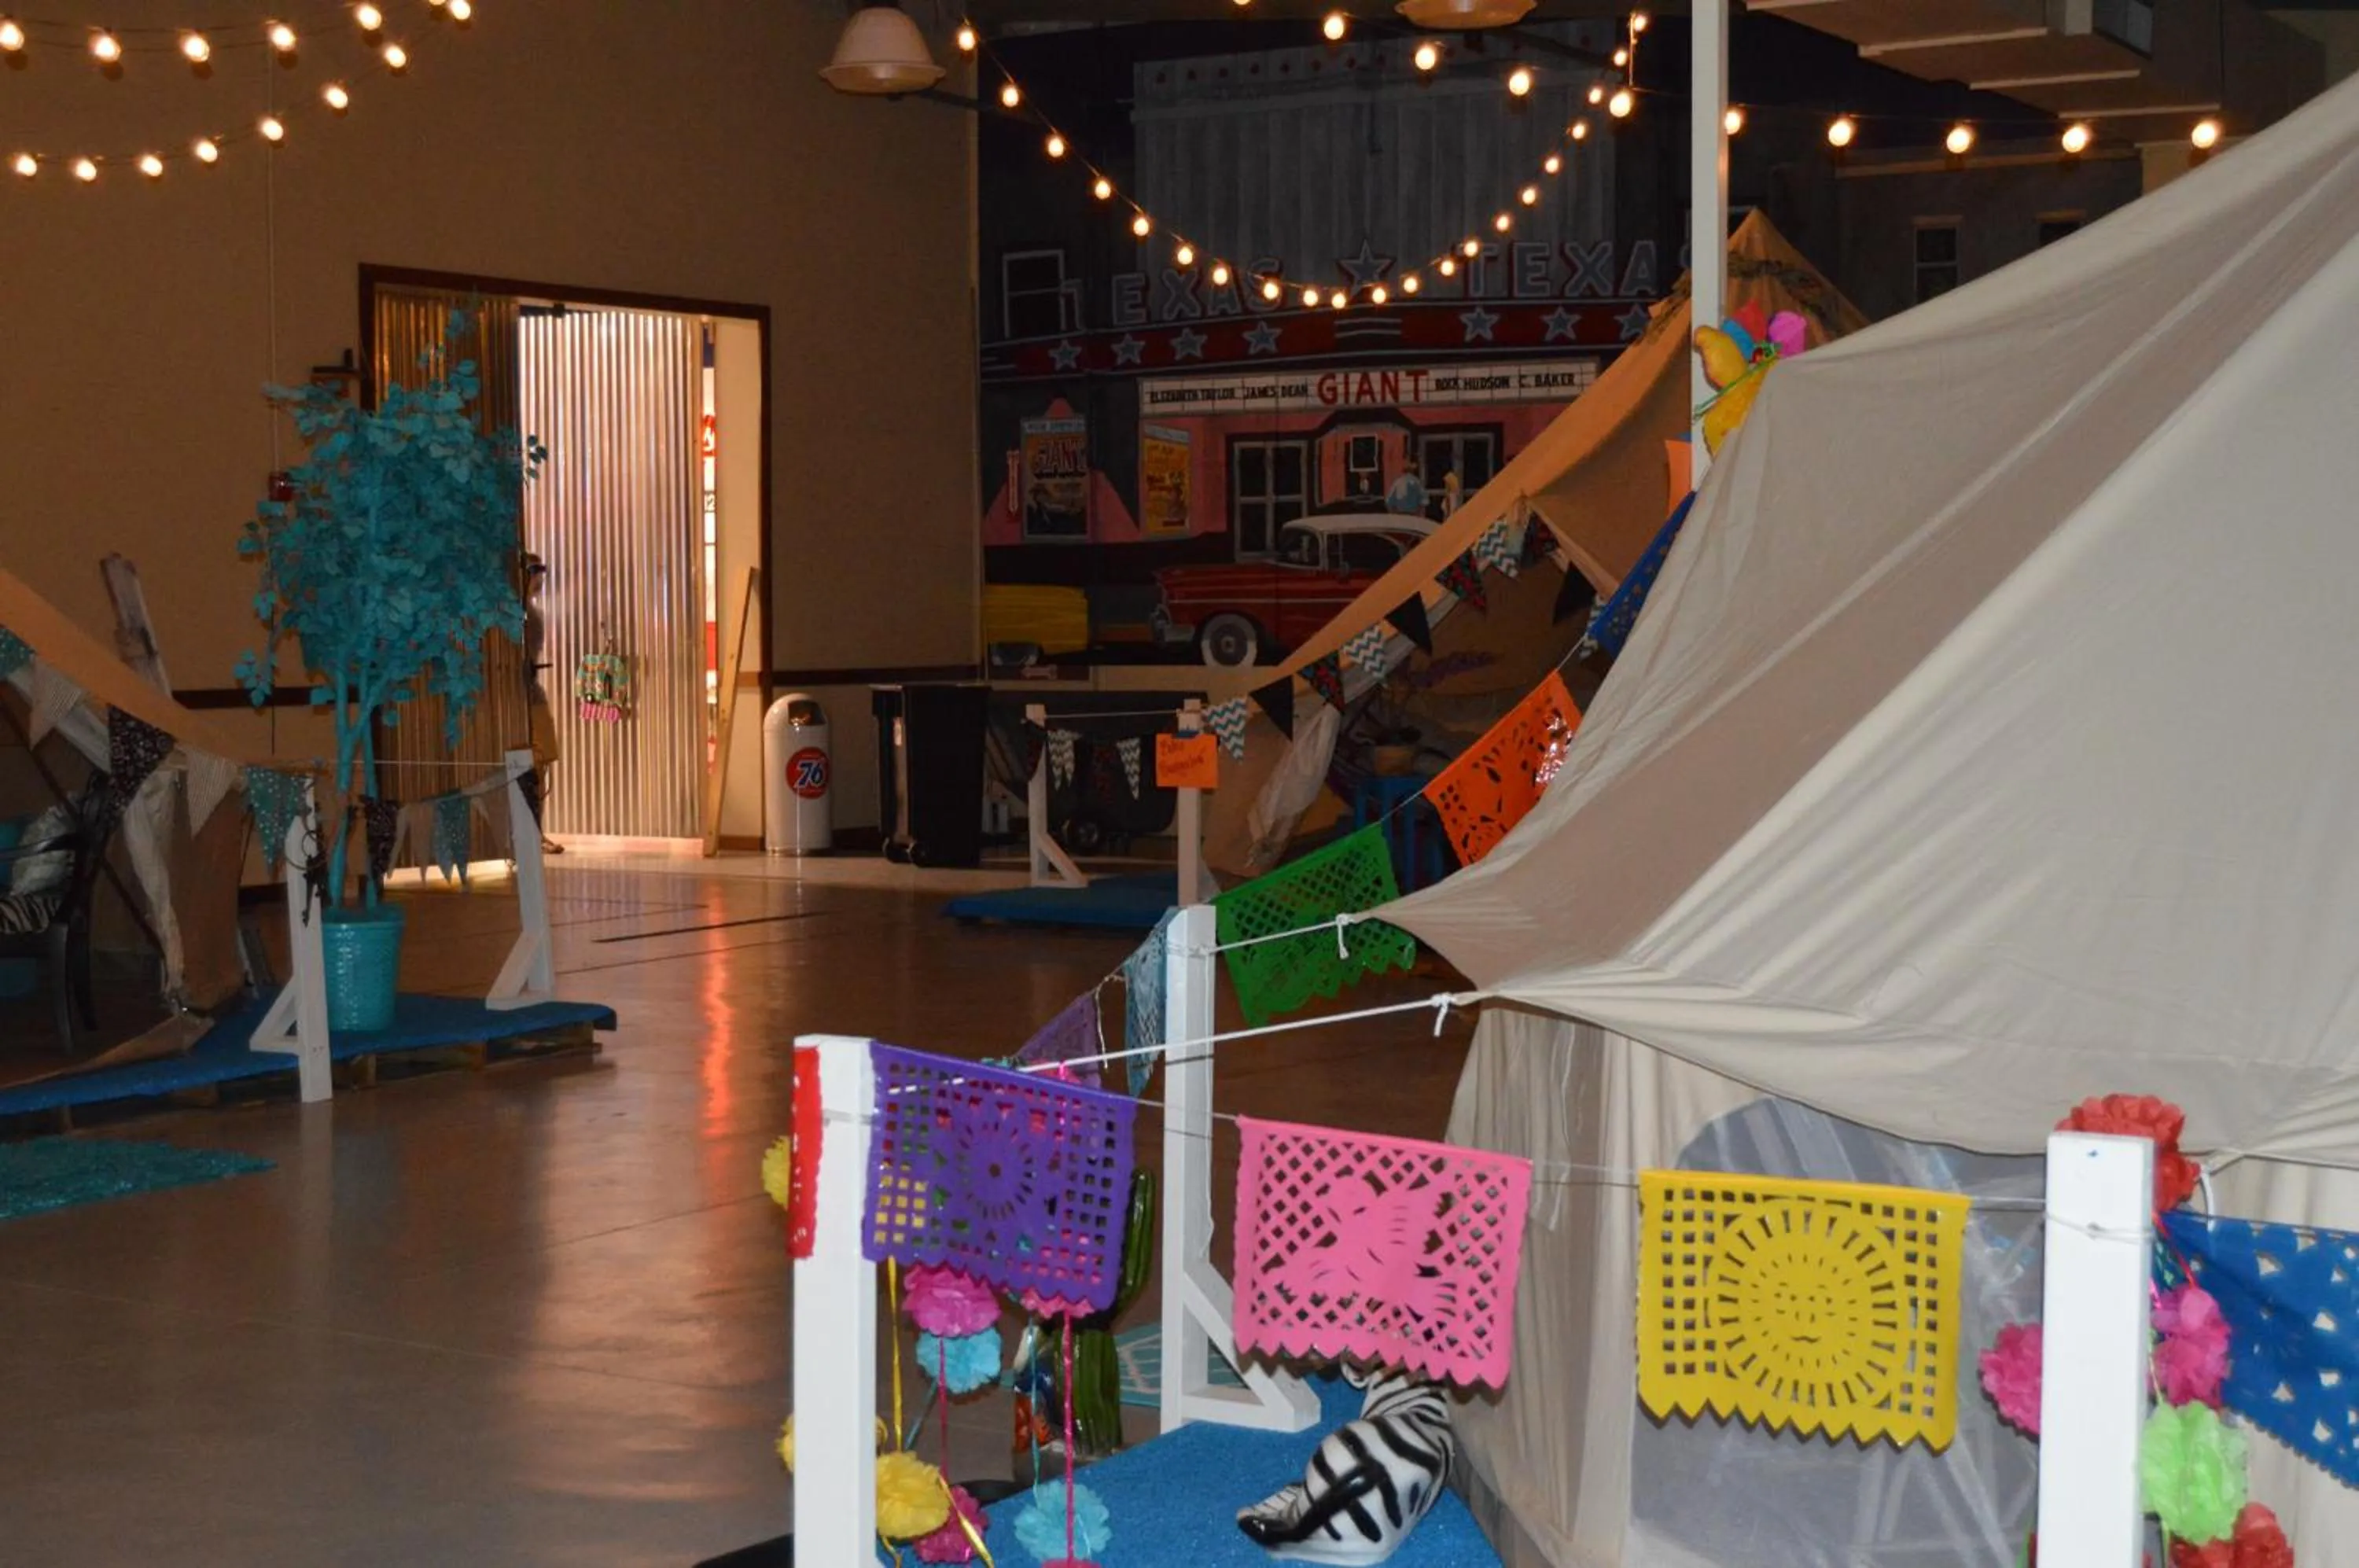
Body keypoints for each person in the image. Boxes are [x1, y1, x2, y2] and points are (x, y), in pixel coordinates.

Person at [520, 553, 563, 855]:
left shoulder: (531, 614)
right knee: (531, 765)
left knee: (540, 764)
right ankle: (529, 832)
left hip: (532, 694)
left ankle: (535, 831)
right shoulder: (517, 615)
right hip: (521, 697)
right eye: (535, 574)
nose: (540, 582)